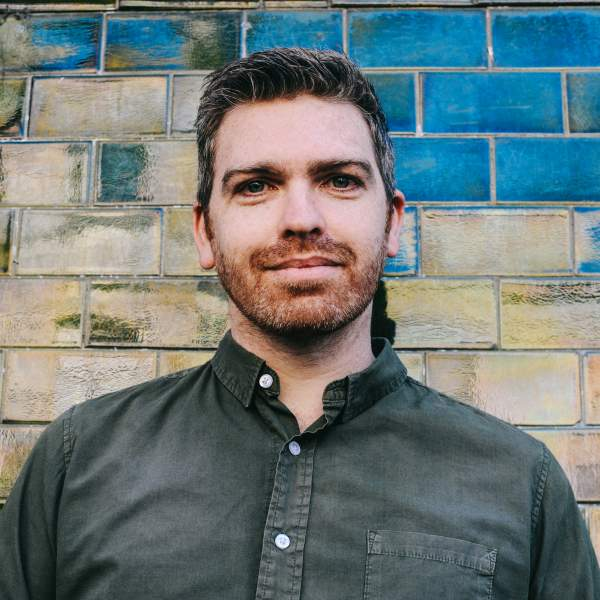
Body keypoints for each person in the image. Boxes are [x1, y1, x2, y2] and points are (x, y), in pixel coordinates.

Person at [0, 48, 598, 600]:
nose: (301, 219)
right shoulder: (78, 461)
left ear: (392, 223)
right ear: (205, 231)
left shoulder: (521, 484)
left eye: (340, 180)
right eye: (256, 186)